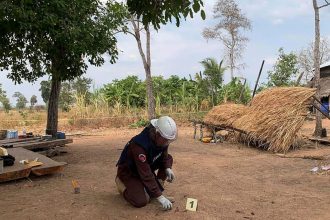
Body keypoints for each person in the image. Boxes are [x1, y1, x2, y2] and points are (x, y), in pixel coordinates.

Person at [115, 116, 177, 210]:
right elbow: (146, 174)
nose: (167, 142)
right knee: (141, 201)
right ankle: (121, 184)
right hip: (129, 172)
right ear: (157, 133)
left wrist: (168, 168)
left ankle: (156, 193)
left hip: (144, 166)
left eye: (169, 140)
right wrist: (161, 198)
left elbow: (165, 156)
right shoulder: (139, 145)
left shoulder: (162, 140)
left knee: (169, 159)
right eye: (166, 139)